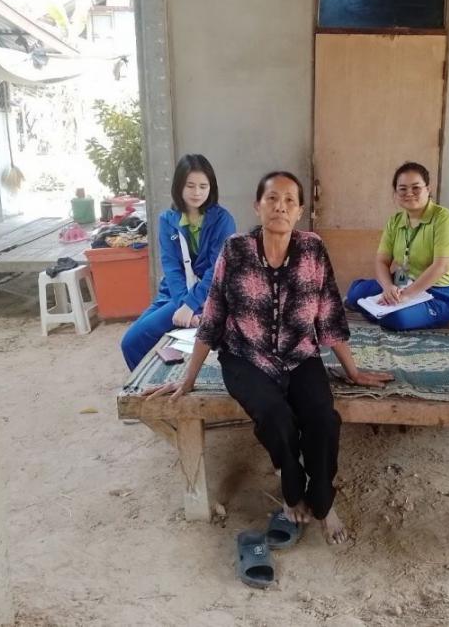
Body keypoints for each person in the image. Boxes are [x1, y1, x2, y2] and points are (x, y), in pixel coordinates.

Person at [148, 171, 392, 543]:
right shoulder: (236, 250)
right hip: (245, 356)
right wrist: (189, 377)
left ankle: (323, 502)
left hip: (299, 354)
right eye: (272, 199)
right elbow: (213, 317)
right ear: (257, 206)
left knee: (323, 419)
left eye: (289, 200)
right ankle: (291, 489)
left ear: (300, 211)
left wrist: (353, 371)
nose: (280, 206)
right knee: (275, 415)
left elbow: (328, 315)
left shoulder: (312, 250)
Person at [120, 154, 235, 370]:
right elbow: (171, 268)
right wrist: (184, 306)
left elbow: (217, 270)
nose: (197, 192)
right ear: (179, 186)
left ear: (211, 187)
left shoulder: (223, 220)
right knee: (131, 343)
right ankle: (150, 387)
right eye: (190, 185)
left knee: (139, 339)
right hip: (174, 293)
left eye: (203, 186)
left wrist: (191, 305)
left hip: (210, 293)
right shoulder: (167, 220)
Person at [345, 162, 449, 330]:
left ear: (428, 189)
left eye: (416, 188)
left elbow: (442, 265)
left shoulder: (444, 219)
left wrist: (407, 295)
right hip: (402, 282)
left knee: (396, 318)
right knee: (355, 294)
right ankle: (377, 307)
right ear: (395, 193)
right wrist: (388, 288)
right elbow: (382, 260)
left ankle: (380, 311)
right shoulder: (395, 221)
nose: (409, 193)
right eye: (402, 189)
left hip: (439, 291)